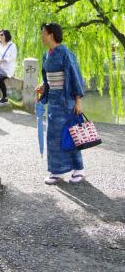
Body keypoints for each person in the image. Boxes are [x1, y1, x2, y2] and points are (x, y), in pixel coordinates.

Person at [36, 22, 85, 185]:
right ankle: (56, 171)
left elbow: (74, 76)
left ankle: (79, 169)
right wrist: (44, 87)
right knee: (53, 136)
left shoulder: (65, 53)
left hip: (66, 101)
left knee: (70, 135)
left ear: (51, 34)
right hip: (54, 103)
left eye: (43, 33)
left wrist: (78, 101)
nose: (42, 36)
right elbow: (47, 79)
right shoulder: (46, 55)